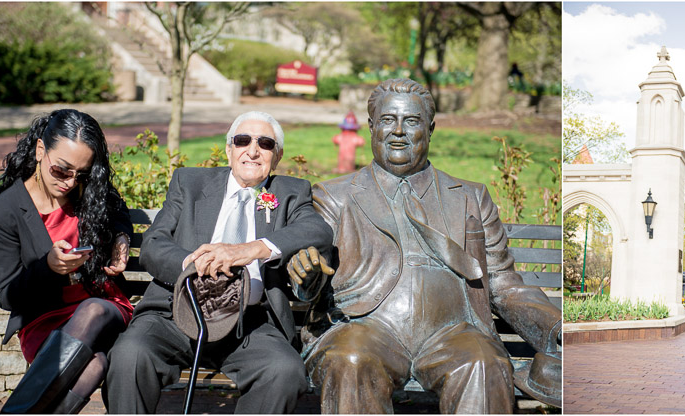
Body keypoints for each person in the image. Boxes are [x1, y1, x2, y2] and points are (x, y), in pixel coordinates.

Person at [288, 78, 562, 413]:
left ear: (430, 129)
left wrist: (556, 328)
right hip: (365, 327)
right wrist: (308, 274)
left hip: (453, 333)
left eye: (412, 121)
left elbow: (504, 285)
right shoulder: (335, 196)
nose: (399, 131)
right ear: (372, 127)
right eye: (388, 120)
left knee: (483, 363)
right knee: (352, 358)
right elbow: (315, 263)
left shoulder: (469, 196)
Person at [104, 111, 332, 413]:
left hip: (248, 323)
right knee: (129, 356)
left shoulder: (290, 192)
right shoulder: (190, 183)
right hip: (175, 312)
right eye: (242, 141)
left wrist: (251, 250)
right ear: (229, 149)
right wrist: (193, 263)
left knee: (284, 371)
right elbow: (153, 246)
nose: (252, 150)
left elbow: (318, 230)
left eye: (265, 144)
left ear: (276, 157)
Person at [0, 109, 133, 413]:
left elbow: (118, 210)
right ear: (40, 151)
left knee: (91, 311)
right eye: (62, 170)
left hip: (102, 306)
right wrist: (48, 268)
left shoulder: (86, 191)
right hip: (43, 318)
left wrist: (121, 237)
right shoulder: (4, 213)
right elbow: (7, 295)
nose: (70, 182)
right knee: (95, 365)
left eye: (82, 173)